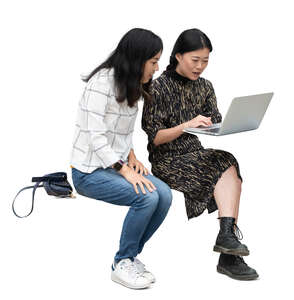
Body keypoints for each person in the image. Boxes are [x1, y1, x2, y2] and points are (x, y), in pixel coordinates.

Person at [142, 28, 258, 281]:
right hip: (167, 160)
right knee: (225, 166)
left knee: (227, 161)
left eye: (206, 61)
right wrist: (187, 125)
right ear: (178, 56)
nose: (201, 67)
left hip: (195, 152)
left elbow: (213, 120)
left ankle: (226, 238)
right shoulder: (158, 87)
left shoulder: (205, 86)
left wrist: (227, 125)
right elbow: (155, 138)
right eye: (195, 60)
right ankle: (228, 253)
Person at [70, 28, 172, 289]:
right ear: (138, 59)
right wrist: (124, 169)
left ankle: (130, 257)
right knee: (146, 197)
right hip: (89, 172)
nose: (157, 68)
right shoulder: (101, 84)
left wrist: (132, 156)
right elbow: (97, 137)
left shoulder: (132, 84)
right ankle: (122, 261)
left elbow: (122, 131)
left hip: (116, 165)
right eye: (153, 61)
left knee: (165, 195)